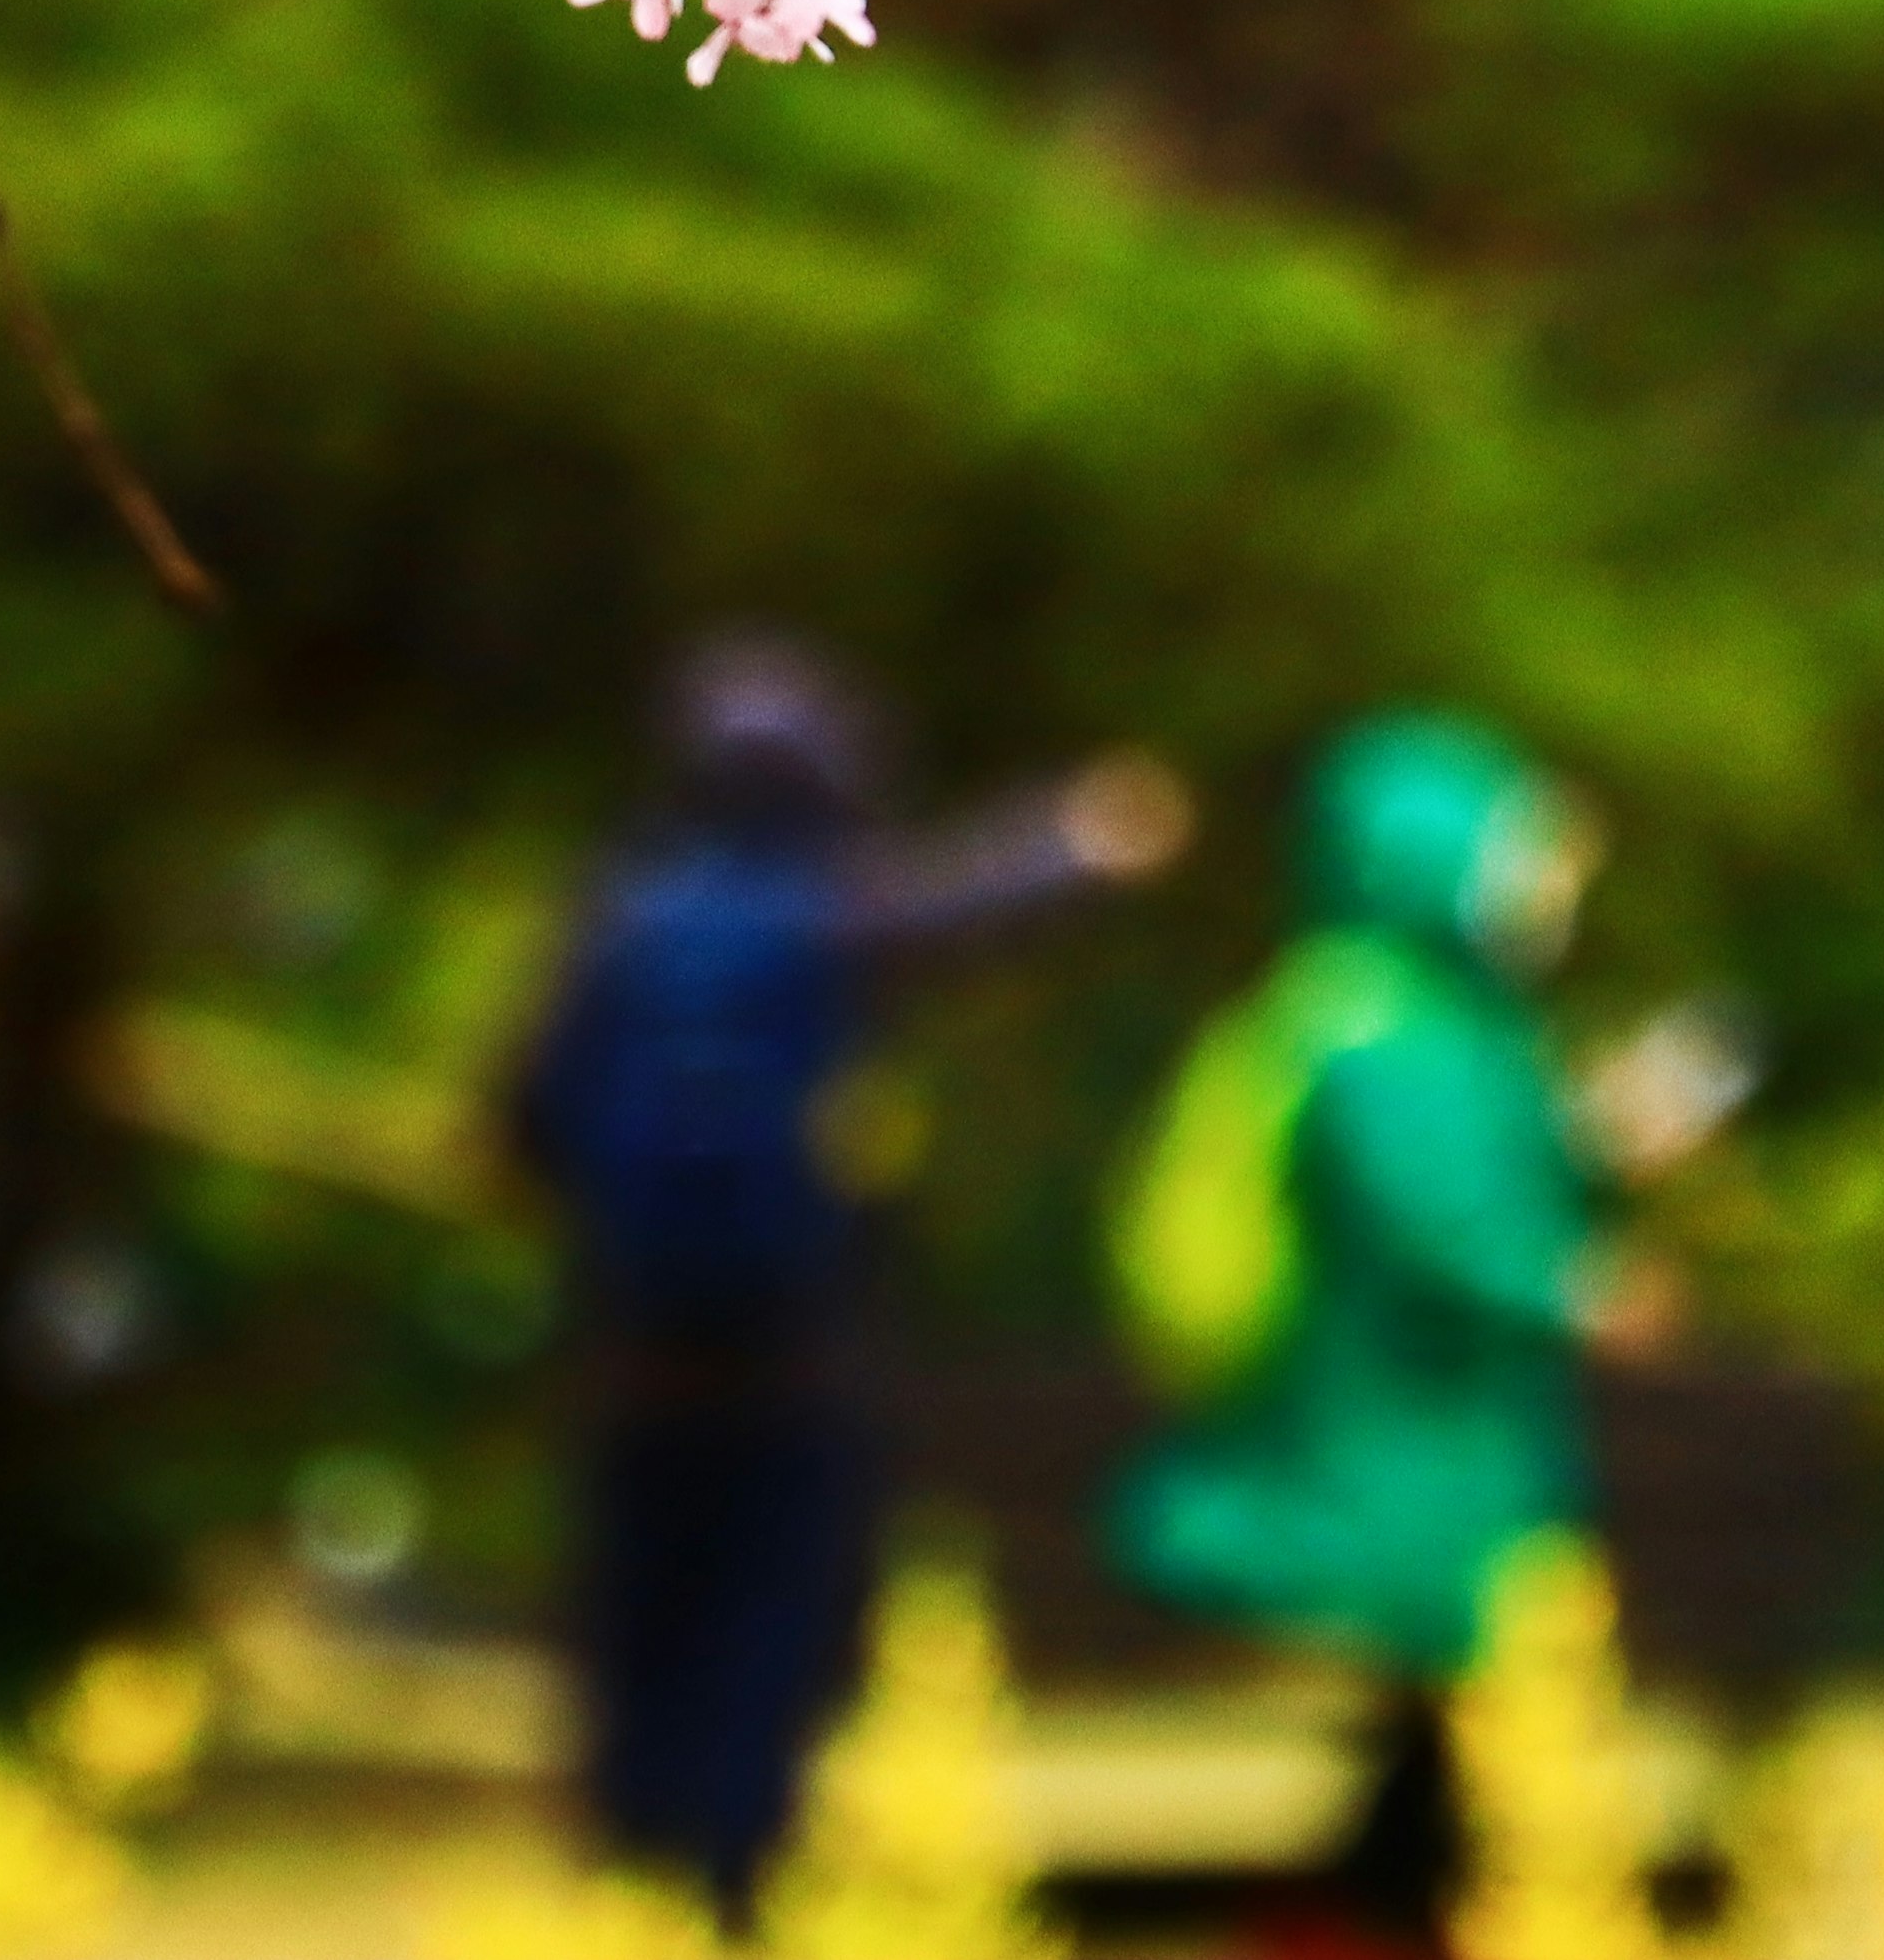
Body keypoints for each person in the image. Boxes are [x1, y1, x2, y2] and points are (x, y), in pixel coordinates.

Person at [514, 638, 1190, 1935]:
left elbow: (527, 1116)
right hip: (792, 1360)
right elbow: (967, 904)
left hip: (636, 1358)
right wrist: (1088, 838)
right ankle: (734, 1882)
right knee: (770, 1623)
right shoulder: (828, 915)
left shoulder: (617, 922)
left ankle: (629, 1884)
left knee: (643, 1625)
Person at [1106, 711, 1658, 1958]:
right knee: (1469, 1712)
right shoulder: (1379, 1030)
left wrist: (1592, 1146)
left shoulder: (1403, 1013)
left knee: (1450, 1744)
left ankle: (1344, 1923)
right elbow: (1434, 1226)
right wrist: (1574, 1291)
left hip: (1436, 1460)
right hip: (1393, 1470)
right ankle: (1347, 1930)